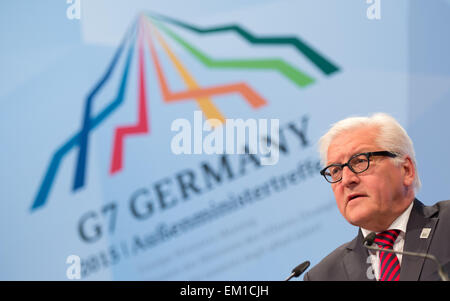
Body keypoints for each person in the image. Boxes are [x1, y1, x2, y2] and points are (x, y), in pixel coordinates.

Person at [303, 113, 450, 281]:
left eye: (359, 161)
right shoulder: (323, 277)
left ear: (406, 170)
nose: (346, 180)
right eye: (336, 170)